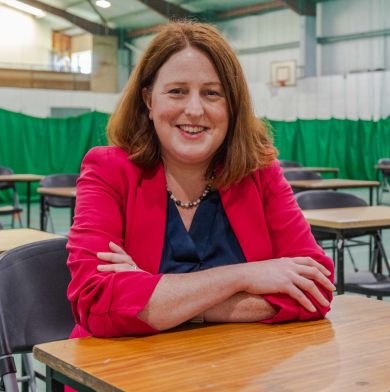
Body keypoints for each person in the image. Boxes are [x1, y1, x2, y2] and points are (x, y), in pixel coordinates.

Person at [66, 21, 335, 338]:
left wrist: (161, 298)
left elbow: (316, 289)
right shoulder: (108, 170)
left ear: (232, 106)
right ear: (149, 100)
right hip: (119, 374)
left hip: (238, 373)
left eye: (212, 93)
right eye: (177, 91)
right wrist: (244, 276)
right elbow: (95, 302)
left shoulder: (261, 172)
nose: (194, 109)